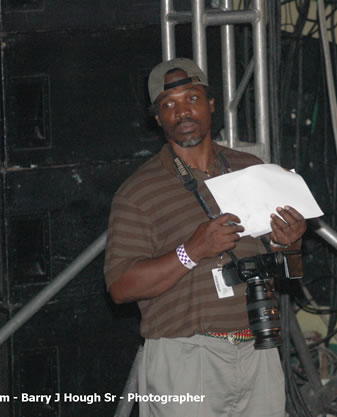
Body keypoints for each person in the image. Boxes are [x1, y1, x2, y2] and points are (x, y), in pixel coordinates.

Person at [104, 57, 307, 417]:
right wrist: (192, 250)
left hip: (259, 347)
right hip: (186, 357)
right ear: (157, 119)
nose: (182, 111)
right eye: (169, 105)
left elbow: (290, 269)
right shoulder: (138, 191)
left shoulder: (251, 169)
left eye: (192, 99)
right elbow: (120, 287)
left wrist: (288, 243)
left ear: (211, 104)